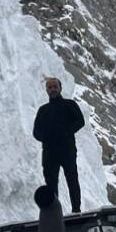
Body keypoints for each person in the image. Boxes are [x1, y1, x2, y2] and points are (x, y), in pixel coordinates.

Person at [32, 76, 84, 212]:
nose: (52, 89)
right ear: (46, 90)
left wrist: (66, 132)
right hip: (49, 152)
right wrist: (46, 138)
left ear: (60, 88)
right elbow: (36, 131)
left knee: (72, 179)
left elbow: (80, 121)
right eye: (50, 87)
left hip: (67, 150)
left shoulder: (70, 105)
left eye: (55, 87)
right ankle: (54, 212)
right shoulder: (43, 110)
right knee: (51, 184)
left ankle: (76, 210)